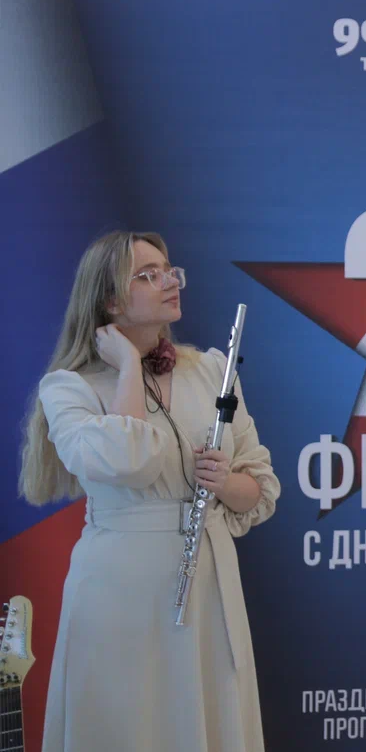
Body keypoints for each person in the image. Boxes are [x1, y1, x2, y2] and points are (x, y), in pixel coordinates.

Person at [18, 230, 280, 752]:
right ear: (111, 300)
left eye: (169, 270)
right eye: (147, 275)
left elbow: (261, 490)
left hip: (209, 588)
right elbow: (128, 461)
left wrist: (224, 481)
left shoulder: (211, 370)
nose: (169, 281)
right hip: (120, 592)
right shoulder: (68, 388)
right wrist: (129, 369)